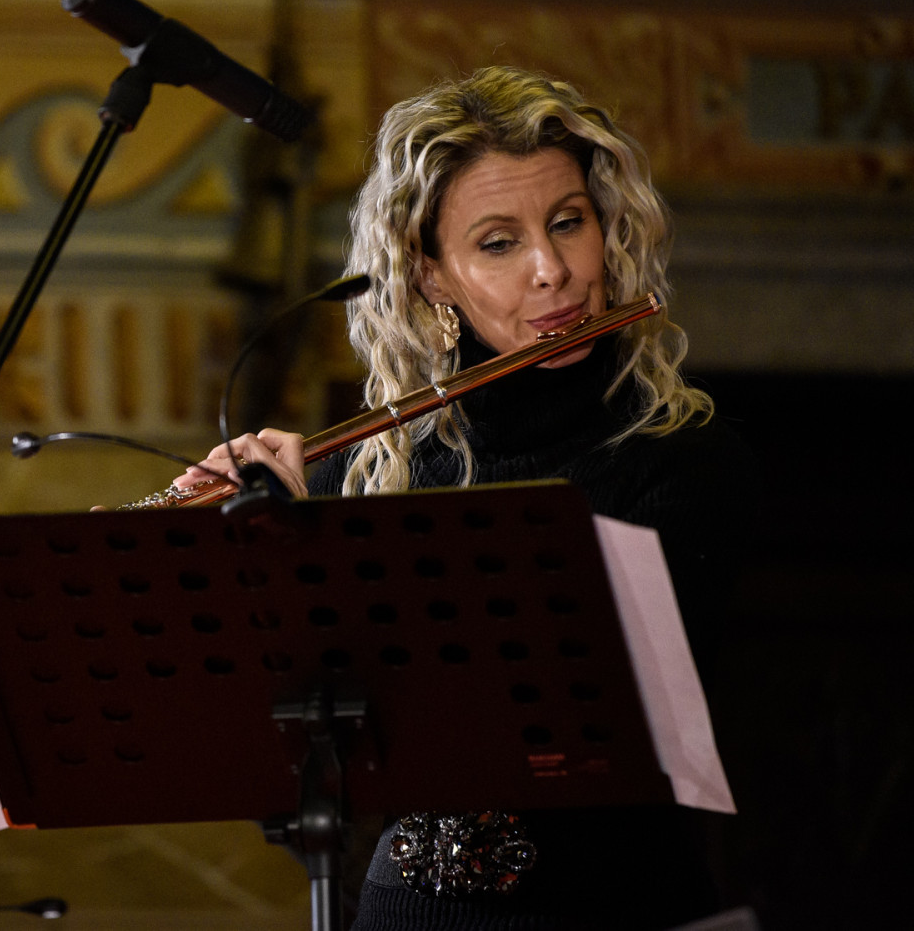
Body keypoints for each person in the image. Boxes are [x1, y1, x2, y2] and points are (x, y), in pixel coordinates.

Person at [171, 66, 756, 930]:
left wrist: (329, 562)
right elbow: (286, 775)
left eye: (569, 223)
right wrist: (252, 559)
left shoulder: (681, 462)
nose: (553, 271)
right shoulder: (366, 473)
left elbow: (578, 739)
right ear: (432, 276)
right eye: (498, 243)